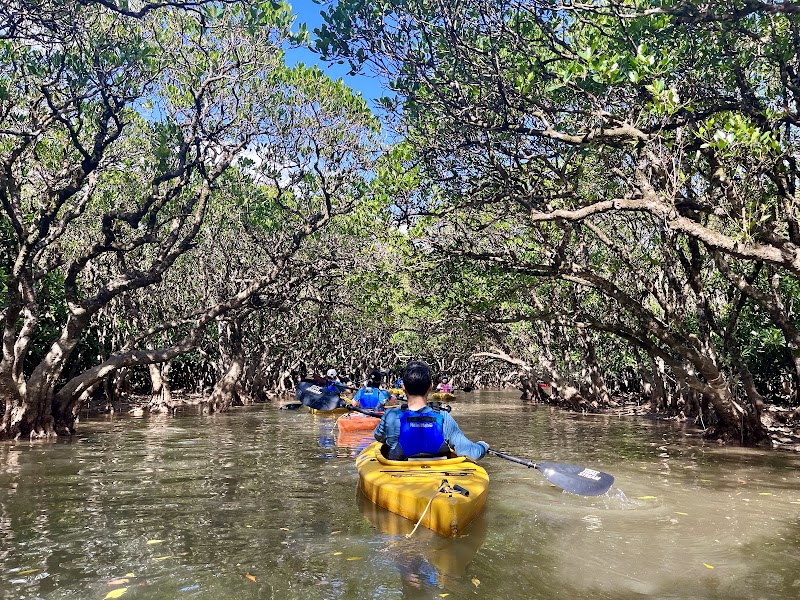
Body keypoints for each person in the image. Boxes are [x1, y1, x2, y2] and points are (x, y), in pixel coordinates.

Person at [375, 361, 488, 461]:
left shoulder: (390, 415)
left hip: (399, 476)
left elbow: (378, 437)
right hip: (439, 478)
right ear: (431, 386)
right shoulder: (444, 417)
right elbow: (472, 453)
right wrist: (482, 446)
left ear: (403, 387)